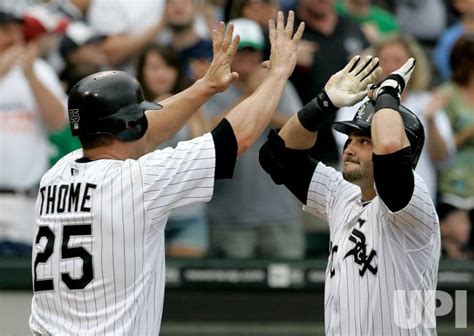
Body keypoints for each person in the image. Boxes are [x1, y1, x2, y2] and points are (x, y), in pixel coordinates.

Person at [29, 11, 305, 334]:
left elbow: (145, 131)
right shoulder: (140, 181)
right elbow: (237, 138)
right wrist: (277, 76)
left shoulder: (57, 175)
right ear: (129, 127)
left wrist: (205, 87)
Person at [259, 56, 440, 333]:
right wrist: (324, 103)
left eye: (365, 140)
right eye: (351, 139)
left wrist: (389, 94)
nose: (349, 148)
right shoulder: (341, 195)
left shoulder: (414, 200)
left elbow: (390, 148)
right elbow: (278, 156)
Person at [203, 18, 304, 259]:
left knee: (290, 292)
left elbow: (299, 131)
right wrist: (252, 94)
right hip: (229, 216)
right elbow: (207, 134)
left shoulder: (280, 85)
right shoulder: (210, 88)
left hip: (279, 212)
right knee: (235, 295)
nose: (247, 58)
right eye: (241, 51)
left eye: (252, 51)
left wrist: (265, 90)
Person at [335, 33, 455, 203]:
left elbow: (443, 159)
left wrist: (430, 120)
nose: (391, 67)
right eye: (384, 60)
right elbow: (348, 147)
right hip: (361, 200)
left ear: (413, 68)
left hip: (415, 204)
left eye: (398, 61)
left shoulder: (427, 102)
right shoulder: (356, 100)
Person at [0, 10, 67, 255]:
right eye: (5, 32)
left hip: (25, 202)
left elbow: (59, 122)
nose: (13, 39)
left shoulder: (38, 70)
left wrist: (31, 78)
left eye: (16, 32)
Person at [136, 44, 209, 257]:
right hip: (147, 213)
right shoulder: (130, 107)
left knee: (188, 284)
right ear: (142, 71)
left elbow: (202, 145)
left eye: (168, 67)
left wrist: (199, 93)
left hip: (188, 211)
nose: (162, 74)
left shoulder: (188, 102)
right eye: (154, 67)